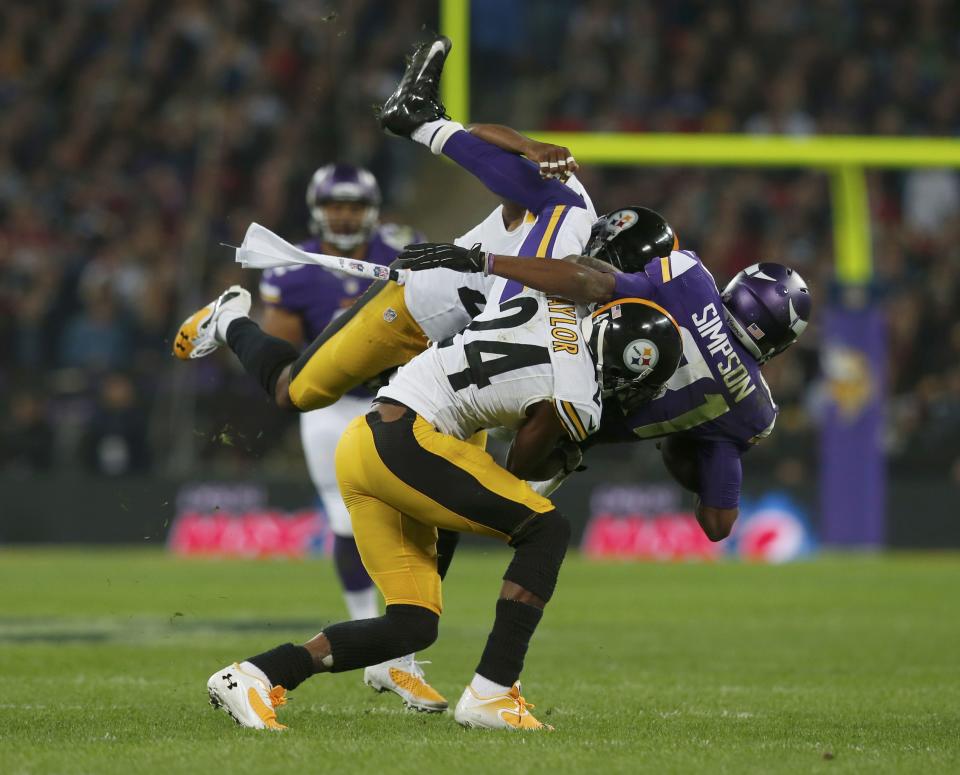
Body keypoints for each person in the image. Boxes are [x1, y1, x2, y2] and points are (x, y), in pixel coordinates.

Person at [205, 287, 683, 732]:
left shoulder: (548, 300)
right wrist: (570, 449)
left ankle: (252, 675)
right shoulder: (581, 395)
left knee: (412, 625)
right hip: (406, 443)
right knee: (547, 529)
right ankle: (493, 692)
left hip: (367, 440)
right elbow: (521, 466)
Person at [397, 214, 812, 539]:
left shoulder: (691, 281)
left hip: (539, 369)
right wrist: (688, 439)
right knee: (502, 520)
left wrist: (492, 262)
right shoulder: (752, 408)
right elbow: (718, 525)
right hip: (561, 442)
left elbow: (592, 281)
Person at [257, 162, 448, 711]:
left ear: (372, 208)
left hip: (400, 398)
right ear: (320, 208)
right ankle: (378, 641)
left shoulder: (401, 246)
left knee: (413, 516)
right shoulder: (294, 263)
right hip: (332, 405)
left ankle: (391, 649)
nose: (345, 214)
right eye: (336, 204)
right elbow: (289, 354)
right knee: (347, 519)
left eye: (354, 205)